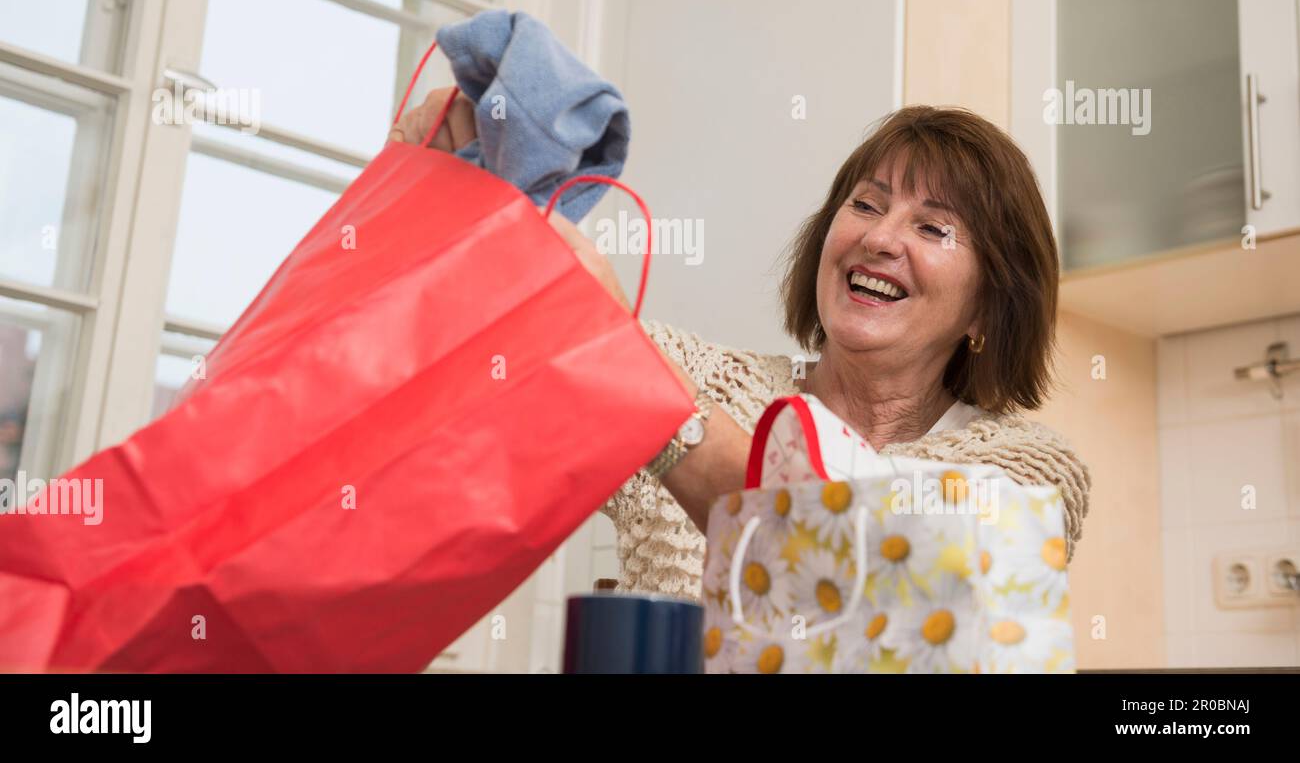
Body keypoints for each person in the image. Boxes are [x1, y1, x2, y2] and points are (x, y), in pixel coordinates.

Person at [390, 92, 1091, 601]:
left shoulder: (1033, 470)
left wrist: (632, 375)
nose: (880, 237)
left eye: (934, 228)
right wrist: (439, 199)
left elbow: (871, 563)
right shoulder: (697, 375)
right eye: (868, 204)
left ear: (989, 307)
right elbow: (476, 364)